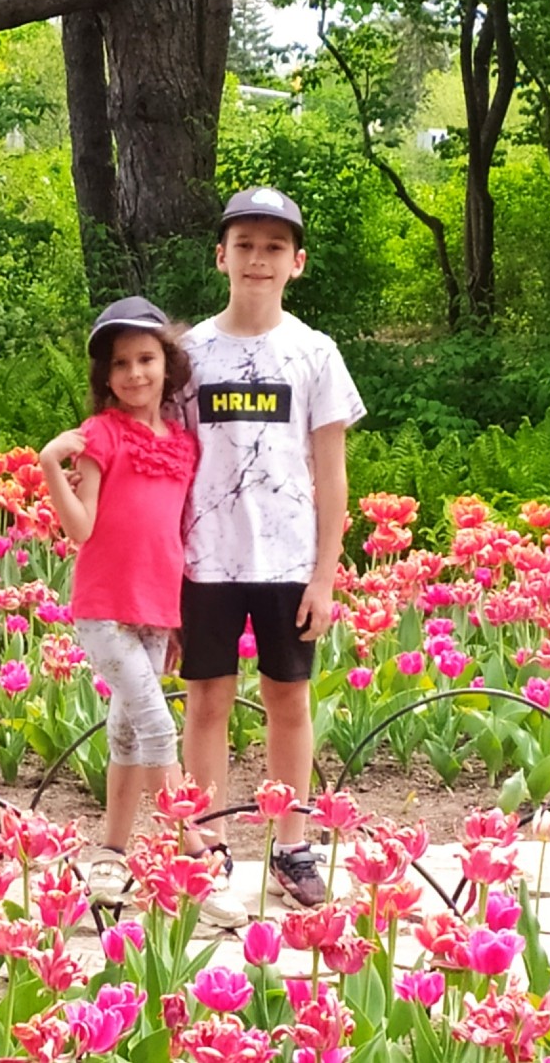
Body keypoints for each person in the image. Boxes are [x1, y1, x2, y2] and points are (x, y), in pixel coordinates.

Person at [177, 186, 366, 908]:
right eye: (246, 245)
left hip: (288, 565)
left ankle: (293, 845)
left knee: (289, 700)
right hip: (205, 562)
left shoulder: (314, 353)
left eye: (275, 247)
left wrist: (324, 576)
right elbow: (171, 465)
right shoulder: (188, 354)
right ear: (220, 255)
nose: (259, 259)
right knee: (207, 702)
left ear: (299, 263)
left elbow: (332, 474)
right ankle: (207, 842)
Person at [39, 295, 248, 928]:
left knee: (128, 732)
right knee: (157, 729)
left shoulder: (183, 444)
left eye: (146, 359)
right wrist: (52, 464)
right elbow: (81, 529)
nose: (135, 374)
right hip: (103, 608)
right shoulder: (100, 435)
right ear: (105, 375)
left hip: (157, 609)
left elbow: (177, 532)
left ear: (168, 364)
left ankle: (109, 854)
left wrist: (181, 616)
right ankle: (193, 857)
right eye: (121, 363)